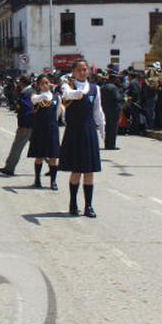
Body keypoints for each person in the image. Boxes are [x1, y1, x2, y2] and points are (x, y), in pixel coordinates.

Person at [59, 60, 105, 218]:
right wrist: (78, 92)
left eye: (85, 69)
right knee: (76, 170)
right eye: (79, 70)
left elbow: (97, 111)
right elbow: (66, 95)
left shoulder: (95, 89)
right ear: (73, 71)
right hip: (74, 131)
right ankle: (73, 202)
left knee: (89, 170)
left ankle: (89, 206)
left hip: (89, 130)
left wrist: (102, 129)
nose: (83, 72)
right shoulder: (68, 86)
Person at [27, 74, 63, 190]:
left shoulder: (56, 96)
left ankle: (53, 181)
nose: (45, 85)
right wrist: (43, 96)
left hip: (52, 129)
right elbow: (34, 100)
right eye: (42, 83)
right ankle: (37, 179)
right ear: (38, 85)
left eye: (47, 83)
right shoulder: (37, 97)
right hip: (40, 129)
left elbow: (60, 110)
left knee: (53, 157)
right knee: (40, 156)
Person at [0, 76, 34, 177]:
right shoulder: (31, 91)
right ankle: (53, 164)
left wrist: (24, 125)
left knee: (17, 147)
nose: (18, 85)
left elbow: (27, 110)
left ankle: (9, 168)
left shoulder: (26, 93)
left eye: (19, 83)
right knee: (38, 146)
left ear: (22, 83)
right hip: (31, 124)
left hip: (26, 126)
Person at [100, 73, 122, 150]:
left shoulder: (103, 87)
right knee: (113, 128)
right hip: (114, 110)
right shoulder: (114, 88)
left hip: (105, 109)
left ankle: (107, 144)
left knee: (107, 128)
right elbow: (117, 98)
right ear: (114, 79)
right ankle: (112, 144)